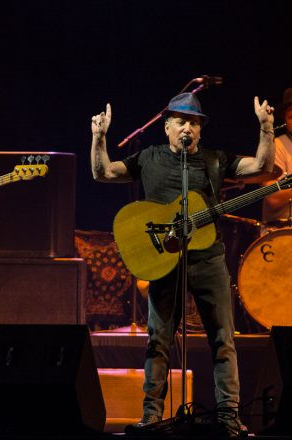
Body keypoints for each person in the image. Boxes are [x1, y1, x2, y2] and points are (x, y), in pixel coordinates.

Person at [90, 92, 275, 437]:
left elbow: (263, 169)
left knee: (223, 339)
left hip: (209, 261)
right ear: (167, 127)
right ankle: (152, 417)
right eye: (180, 121)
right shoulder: (148, 157)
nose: (187, 127)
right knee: (158, 340)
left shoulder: (215, 160)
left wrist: (266, 129)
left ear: (200, 130)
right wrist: (99, 138)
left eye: (194, 122)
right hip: (164, 262)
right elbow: (103, 173)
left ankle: (228, 417)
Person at [262, 87, 292, 224]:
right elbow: (273, 197)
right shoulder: (276, 146)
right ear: (285, 119)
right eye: (291, 117)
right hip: (279, 234)